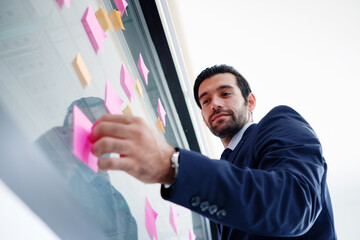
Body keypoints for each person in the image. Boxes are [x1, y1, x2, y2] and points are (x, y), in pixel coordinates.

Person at [89, 65, 337, 239]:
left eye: (225, 93)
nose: (215, 103)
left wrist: (172, 165)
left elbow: (294, 203)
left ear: (250, 102)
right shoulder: (222, 168)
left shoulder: (278, 121)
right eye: (205, 101)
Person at [36, 97, 138, 240]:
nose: (74, 132)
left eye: (92, 126)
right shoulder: (42, 159)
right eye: (73, 125)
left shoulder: (118, 209)